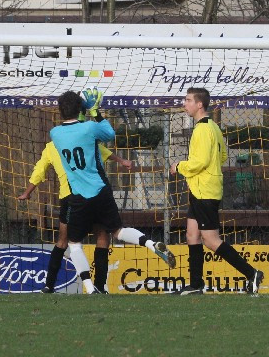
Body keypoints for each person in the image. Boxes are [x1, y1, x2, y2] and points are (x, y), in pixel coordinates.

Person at [49, 89, 175, 294]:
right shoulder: (90, 127)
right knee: (117, 231)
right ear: (80, 109)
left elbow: (75, 129)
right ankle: (151, 244)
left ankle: (90, 288)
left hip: (78, 196)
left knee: (74, 244)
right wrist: (95, 111)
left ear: (60, 111)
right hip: (101, 190)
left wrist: (82, 111)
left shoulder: (55, 133)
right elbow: (109, 134)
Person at [169, 87, 263, 295]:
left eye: (188, 100)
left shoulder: (202, 130)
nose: (185, 104)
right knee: (192, 235)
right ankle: (195, 285)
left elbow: (201, 161)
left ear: (199, 104)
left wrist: (179, 166)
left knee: (211, 241)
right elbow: (221, 157)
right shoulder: (213, 126)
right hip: (200, 190)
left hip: (205, 192)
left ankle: (252, 273)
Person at [17, 140, 133, 293]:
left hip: (73, 198)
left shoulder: (53, 145)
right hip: (94, 195)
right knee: (101, 237)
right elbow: (101, 150)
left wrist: (27, 192)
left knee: (66, 240)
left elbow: (39, 170)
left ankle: (50, 285)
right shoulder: (80, 139)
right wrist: (121, 160)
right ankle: (98, 287)